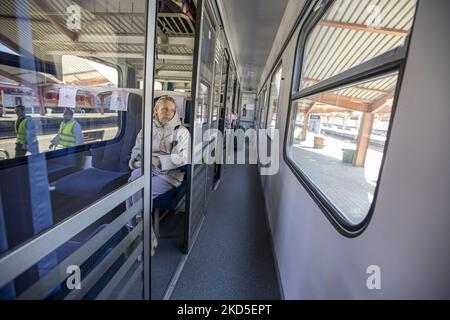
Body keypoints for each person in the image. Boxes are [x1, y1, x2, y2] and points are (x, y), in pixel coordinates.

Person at [127, 95, 190, 256]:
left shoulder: (181, 132)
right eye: (164, 109)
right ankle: (145, 235)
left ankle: (140, 234)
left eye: (171, 110)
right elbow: (136, 152)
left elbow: (182, 158)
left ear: (176, 112)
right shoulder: (147, 129)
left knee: (139, 193)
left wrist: (158, 161)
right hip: (145, 168)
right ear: (156, 110)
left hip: (169, 175)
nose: (168, 112)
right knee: (132, 182)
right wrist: (138, 163)